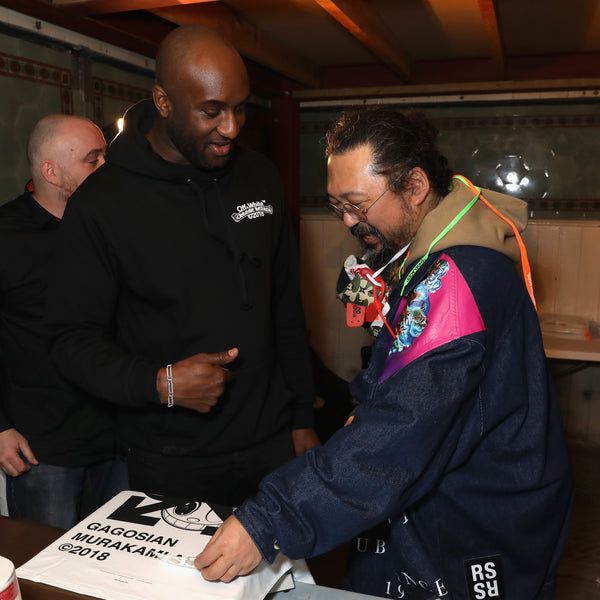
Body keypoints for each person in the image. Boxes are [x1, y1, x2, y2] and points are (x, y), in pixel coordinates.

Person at [194, 108, 574, 600]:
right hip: (439, 510)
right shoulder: (420, 256)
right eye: (337, 207)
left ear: (414, 187)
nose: (349, 222)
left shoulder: (457, 281)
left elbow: (403, 422)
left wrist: (271, 518)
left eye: (357, 204)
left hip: (471, 528)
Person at [44, 25, 320, 507]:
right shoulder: (102, 203)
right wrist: (160, 383)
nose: (231, 127)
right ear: (164, 101)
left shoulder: (259, 175)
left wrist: (302, 419)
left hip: (272, 444)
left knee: (280, 585)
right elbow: (69, 340)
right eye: (211, 111)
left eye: (240, 107)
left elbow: (284, 305)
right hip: (169, 458)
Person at [0, 114, 127, 529]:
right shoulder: (6, 235)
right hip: (44, 448)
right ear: (50, 171)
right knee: (48, 581)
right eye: (93, 160)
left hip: (120, 438)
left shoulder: (112, 225)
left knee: (119, 573)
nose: (107, 168)